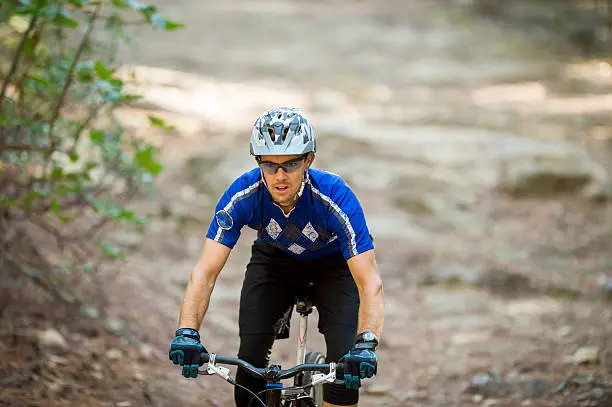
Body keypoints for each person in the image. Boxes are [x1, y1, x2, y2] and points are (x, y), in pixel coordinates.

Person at [169, 107, 385, 407]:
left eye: (291, 164)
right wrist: (187, 332)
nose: (280, 176)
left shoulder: (335, 196)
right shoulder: (243, 194)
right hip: (275, 261)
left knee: (344, 369)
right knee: (251, 360)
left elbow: (369, 281)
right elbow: (204, 273)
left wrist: (366, 344)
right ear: (258, 161)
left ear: (308, 160)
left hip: (334, 265)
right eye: (269, 165)